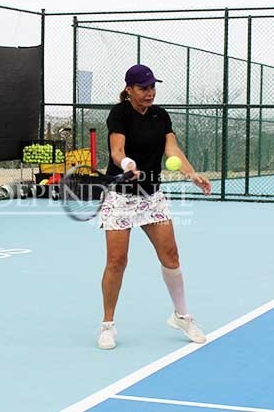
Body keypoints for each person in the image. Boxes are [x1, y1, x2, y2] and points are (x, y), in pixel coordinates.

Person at [96, 64, 212, 350]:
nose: (149, 93)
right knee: (117, 261)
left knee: (171, 255)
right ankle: (107, 325)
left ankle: (182, 316)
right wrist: (127, 164)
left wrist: (191, 173)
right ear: (129, 89)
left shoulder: (160, 115)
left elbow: (172, 150)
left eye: (152, 87)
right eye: (143, 88)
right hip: (120, 197)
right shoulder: (120, 113)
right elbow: (117, 151)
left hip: (151, 197)